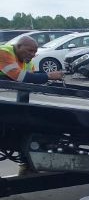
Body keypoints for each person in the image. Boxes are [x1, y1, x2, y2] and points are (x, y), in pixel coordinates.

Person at [0, 36, 64, 175]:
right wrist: (48, 76)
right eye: (29, 51)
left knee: (24, 129)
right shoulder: (4, 52)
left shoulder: (27, 62)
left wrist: (48, 76)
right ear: (18, 46)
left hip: (7, 103)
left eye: (35, 52)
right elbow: (20, 77)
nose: (33, 54)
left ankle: (26, 164)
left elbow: (32, 78)